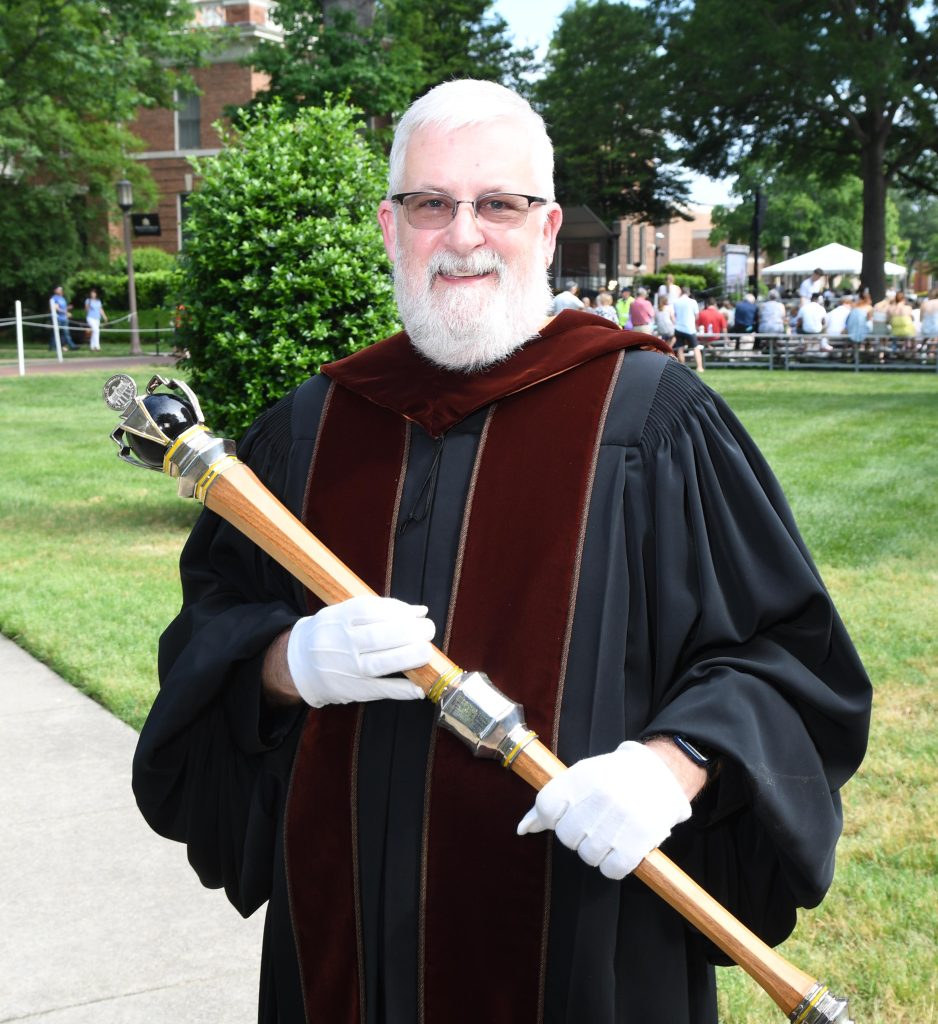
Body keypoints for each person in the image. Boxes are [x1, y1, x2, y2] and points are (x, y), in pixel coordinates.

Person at [132, 79, 871, 1024]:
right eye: (430, 204)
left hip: (587, 950)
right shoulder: (312, 429)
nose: (465, 234)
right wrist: (287, 664)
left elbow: (785, 657)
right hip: (347, 953)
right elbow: (207, 644)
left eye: (499, 204)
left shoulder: (649, 418)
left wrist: (672, 763)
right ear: (390, 226)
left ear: (549, 225)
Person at [672, 285, 701, 369]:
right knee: (695, 347)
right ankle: (699, 367)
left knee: (680, 348)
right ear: (688, 292)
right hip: (689, 328)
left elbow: (675, 315)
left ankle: (682, 367)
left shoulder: (676, 302)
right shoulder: (693, 302)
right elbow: (697, 316)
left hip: (678, 328)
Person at [49, 285, 77, 351]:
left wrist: (67, 310)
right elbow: (56, 309)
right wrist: (66, 312)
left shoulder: (62, 298)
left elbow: (63, 308)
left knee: (66, 333)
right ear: (55, 290)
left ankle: (72, 346)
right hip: (57, 318)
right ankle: (53, 347)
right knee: (55, 333)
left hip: (64, 318)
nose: (60, 290)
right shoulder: (54, 298)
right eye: (59, 289)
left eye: (61, 289)